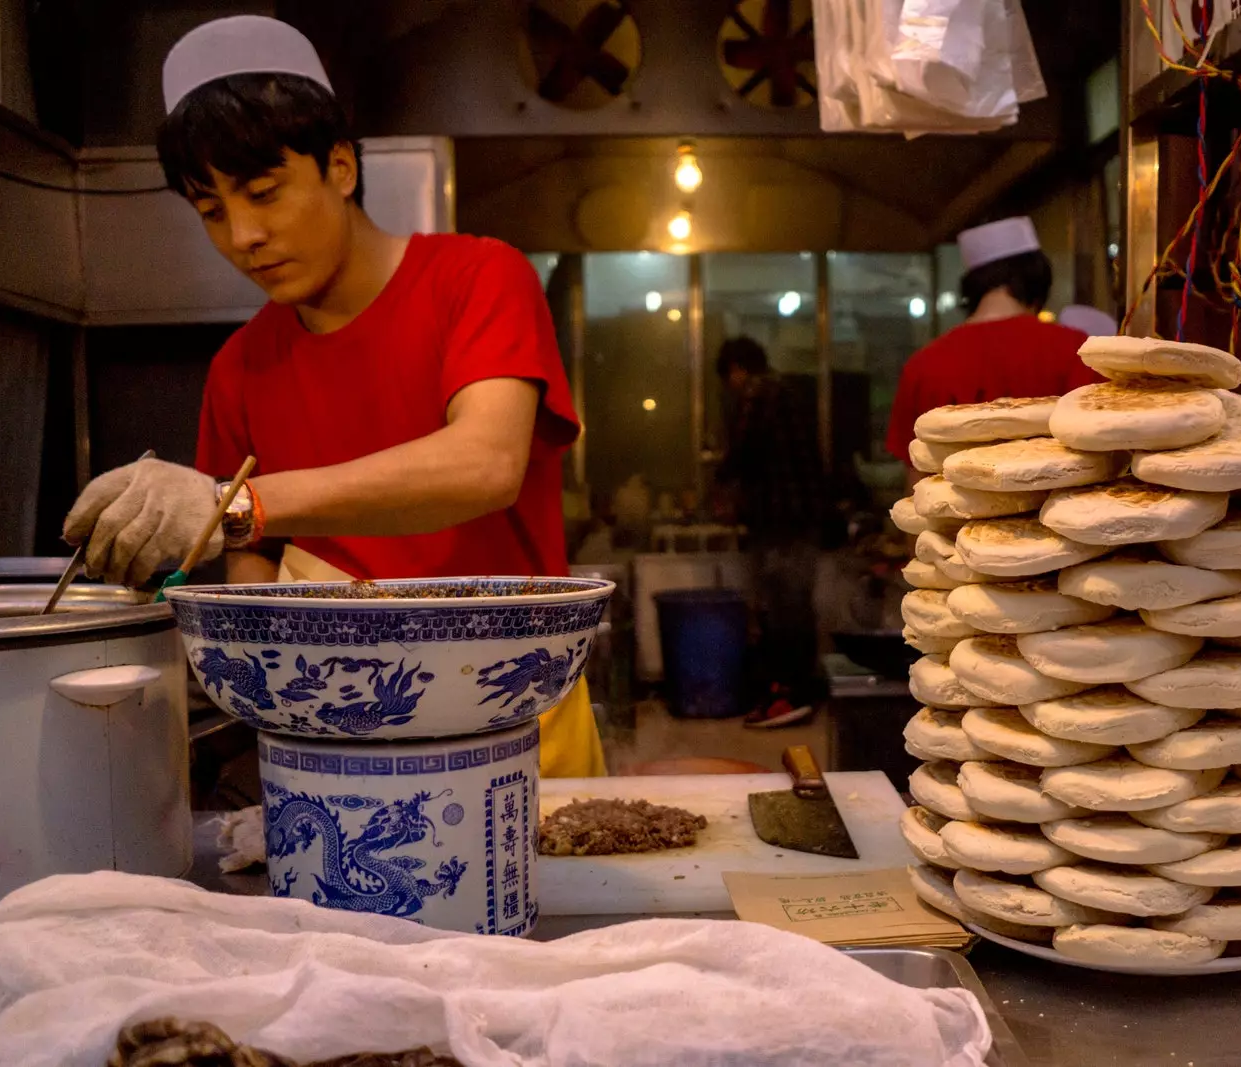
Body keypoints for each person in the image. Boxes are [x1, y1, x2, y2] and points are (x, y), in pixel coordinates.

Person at [60, 16, 604, 776]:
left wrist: (236, 504)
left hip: (513, 720)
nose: (243, 235)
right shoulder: (239, 368)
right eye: (211, 210)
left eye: (263, 192)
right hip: (337, 746)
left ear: (341, 167)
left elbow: (485, 464)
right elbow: (257, 610)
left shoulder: (479, 277)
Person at [885, 216, 1100, 471]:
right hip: (1056, 509)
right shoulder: (1078, 350)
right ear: (1038, 279)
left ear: (971, 287)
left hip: (952, 509)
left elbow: (916, 481)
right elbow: (1100, 450)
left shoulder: (923, 365)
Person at [713, 336, 826, 728]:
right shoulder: (788, 392)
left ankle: (789, 696)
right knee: (796, 604)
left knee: (782, 608)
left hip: (780, 520)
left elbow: (744, 451)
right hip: (801, 517)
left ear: (736, 370)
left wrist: (720, 479)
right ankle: (801, 691)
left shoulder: (759, 392)